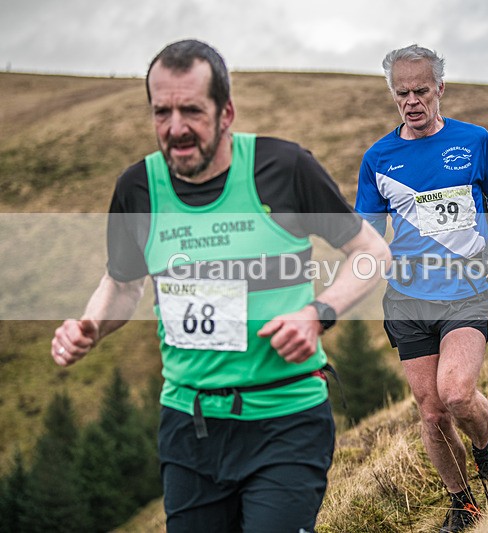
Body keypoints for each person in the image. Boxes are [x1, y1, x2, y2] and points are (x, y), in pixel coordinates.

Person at [50, 39, 390, 533]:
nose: (175, 128)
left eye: (191, 110)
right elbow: (122, 284)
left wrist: (318, 313)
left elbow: (372, 253)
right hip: (189, 429)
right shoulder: (138, 189)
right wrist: (91, 327)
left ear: (226, 111)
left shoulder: (284, 168)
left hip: (286, 418)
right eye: (161, 111)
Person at [355, 44, 488, 533]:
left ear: (440, 88)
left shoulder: (475, 141)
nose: (411, 101)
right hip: (407, 298)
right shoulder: (378, 158)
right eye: (401, 93)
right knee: (430, 412)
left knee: (456, 394)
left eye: (421, 90)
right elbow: (365, 231)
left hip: (467, 288)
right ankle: (462, 502)